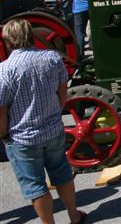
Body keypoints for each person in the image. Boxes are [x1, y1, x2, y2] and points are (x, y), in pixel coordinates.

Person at [0, 19, 87, 224]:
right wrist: (54, 114)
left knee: (35, 186)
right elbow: (62, 91)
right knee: (62, 173)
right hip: (53, 130)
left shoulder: (4, 70)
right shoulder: (52, 58)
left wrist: (3, 133)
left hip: (23, 138)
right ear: (31, 34)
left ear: (8, 41)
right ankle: (74, 215)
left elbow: (2, 109)